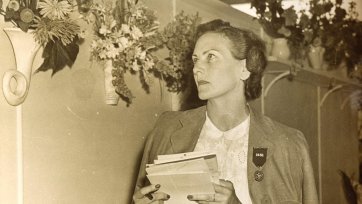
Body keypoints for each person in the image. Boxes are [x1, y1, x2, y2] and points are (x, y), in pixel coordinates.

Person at [133, 19, 319, 204]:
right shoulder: (167, 128)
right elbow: (142, 195)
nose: (197, 68)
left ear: (244, 69)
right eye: (195, 60)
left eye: (211, 57)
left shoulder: (288, 143)